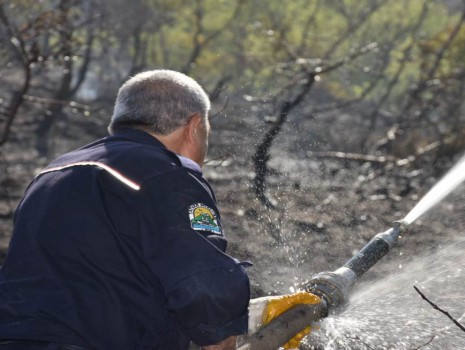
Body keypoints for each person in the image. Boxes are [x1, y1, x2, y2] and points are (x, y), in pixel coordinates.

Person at [0, 70, 320, 349]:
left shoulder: (53, 172)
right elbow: (202, 280)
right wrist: (224, 334)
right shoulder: (166, 174)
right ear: (194, 126)